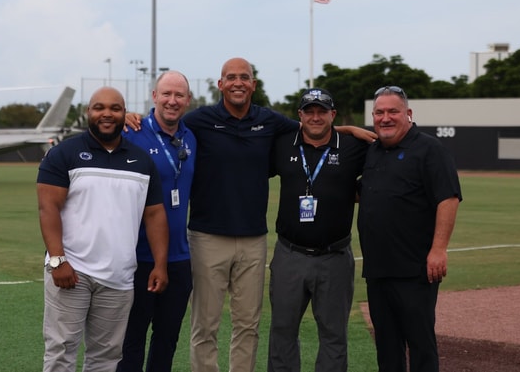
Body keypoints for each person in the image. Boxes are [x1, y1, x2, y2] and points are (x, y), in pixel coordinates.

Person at [126, 58, 375, 372]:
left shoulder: (269, 120)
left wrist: (347, 129)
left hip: (254, 240)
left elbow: (313, 127)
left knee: (248, 325)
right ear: (220, 84)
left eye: (244, 77)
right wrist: (127, 116)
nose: (238, 82)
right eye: (231, 77)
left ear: (253, 84)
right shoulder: (200, 120)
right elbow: (163, 123)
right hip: (206, 236)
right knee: (205, 325)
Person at [37, 87, 170, 372]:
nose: (107, 114)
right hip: (72, 271)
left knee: (106, 358)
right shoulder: (64, 153)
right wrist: (58, 260)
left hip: (119, 277)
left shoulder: (142, 160)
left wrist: (160, 264)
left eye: (115, 108)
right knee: (61, 351)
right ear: (88, 112)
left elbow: (155, 214)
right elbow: (48, 208)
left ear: (124, 113)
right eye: (99, 108)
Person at [357, 86, 462, 372]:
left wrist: (439, 250)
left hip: (415, 270)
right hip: (378, 270)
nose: (385, 118)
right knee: (387, 348)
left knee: (420, 345)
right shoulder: (374, 151)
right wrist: (351, 129)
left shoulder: (430, 149)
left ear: (409, 114)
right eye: (379, 112)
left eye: (393, 111)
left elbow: (449, 198)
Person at [267, 88, 368, 372]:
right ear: (299, 115)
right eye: (308, 111)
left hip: (334, 257)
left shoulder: (353, 146)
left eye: (321, 111)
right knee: (282, 332)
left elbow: (383, 168)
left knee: (334, 335)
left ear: (332, 115)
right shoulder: (283, 143)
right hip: (289, 255)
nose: (315, 117)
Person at [117, 71, 196, 372]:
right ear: (154, 96)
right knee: (131, 340)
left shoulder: (190, 137)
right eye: (166, 94)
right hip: (137, 257)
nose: (172, 101)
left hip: (178, 257)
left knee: (167, 340)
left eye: (179, 95)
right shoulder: (131, 133)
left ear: (188, 100)